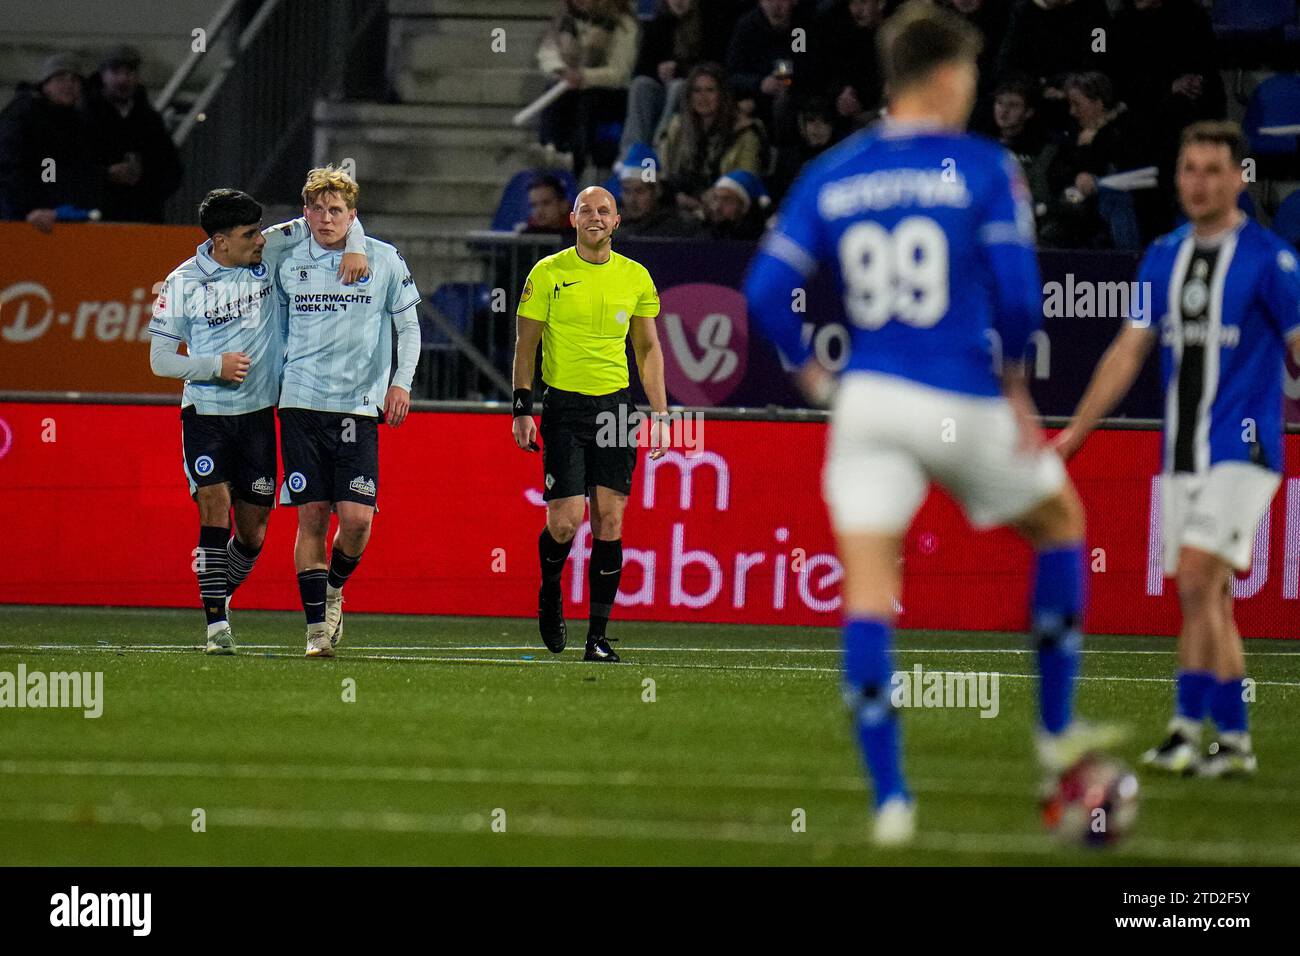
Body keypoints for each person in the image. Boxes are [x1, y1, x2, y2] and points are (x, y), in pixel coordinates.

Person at [744, 1, 1119, 846]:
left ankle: (891, 803)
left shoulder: (836, 170)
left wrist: (812, 374)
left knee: (869, 597)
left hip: (869, 401)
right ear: (950, 76)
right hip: (961, 397)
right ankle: (1056, 729)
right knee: (1060, 524)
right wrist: (1018, 381)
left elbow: (764, 291)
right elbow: (1021, 297)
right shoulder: (985, 166)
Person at [1055, 121, 1300, 778]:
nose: (1199, 182)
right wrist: (1077, 433)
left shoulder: (1271, 261)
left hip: (1245, 451)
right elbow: (1129, 349)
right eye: (1189, 169)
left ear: (1240, 179)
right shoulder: (1162, 256)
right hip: (1183, 455)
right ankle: (1233, 744)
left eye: (1214, 170)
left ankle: (1186, 729)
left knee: (1196, 579)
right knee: (1206, 596)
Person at [148, 188, 368, 654]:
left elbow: (338, 220)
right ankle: (215, 628)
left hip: (258, 417)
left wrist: (357, 247)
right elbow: (160, 359)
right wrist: (213, 366)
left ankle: (219, 594)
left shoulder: (272, 245)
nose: (260, 241)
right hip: (206, 414)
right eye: (249, 235)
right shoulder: (181, 284)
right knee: (214, 504)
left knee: (252, 534)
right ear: (221, 241)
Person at [511, 186, 667, 663]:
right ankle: (550, 591)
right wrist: (522, 408)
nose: (595, 218)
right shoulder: (548, 272)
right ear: (572, 219)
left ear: (617, 221)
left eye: (604, 211)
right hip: (564, 407)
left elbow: (647, 349)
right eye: (586, 211)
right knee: (564, 522)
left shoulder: (636, 276)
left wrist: (660, 413)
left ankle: (597, 637)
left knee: (611, 520)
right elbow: (525, 347)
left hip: (616, 409)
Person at [274, 166, 421, 658]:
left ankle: (334, 587)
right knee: (312, 515)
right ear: (305, 213)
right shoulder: (288, 260)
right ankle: (316, 631)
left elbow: (410, 327)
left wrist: (400, 383)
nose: (325, 218)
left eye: (336, 210)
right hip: (298, 403)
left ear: (352, 215)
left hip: (357, 408)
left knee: (356, 521)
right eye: (317, 208)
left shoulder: (381, 258)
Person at [536, 0, 639, 179]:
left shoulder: (623, 24)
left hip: (608, 92)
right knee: (552, 89)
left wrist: (584, 77)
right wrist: (561, 70)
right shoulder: (564, 21)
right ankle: (550, 148)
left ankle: (576, 159)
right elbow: (548, 52)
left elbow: (620, 72)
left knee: (587, 98)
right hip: (571, 84)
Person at [83, 45, 183, 224]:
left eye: (129, 73)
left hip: (142, 216)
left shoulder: (149, 118)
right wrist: (105, 174)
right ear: (103, 75)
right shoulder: (85, 115)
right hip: (97, 216)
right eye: (116, 72)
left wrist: (146, 184)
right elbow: (73, 166)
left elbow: (171, 168)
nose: (123, 79)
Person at [0, 53, 98, 230]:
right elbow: (13, 168)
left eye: (75, 80)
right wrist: (33, 208)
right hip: (26, 219)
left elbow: (74, 171)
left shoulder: (75, 122)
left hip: (60, 217)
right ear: (45, 84)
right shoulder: (23, 116)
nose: (69, 85)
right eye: (60, 78)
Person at [656, 62, 767, 217]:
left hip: (723, 215)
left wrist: (705, 202)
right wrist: (675, 196)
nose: (703, 97)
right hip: (677, 209)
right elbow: (661, 172)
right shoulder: (677, 127)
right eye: (697, 90)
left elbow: (745, 185)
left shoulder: (746, 133)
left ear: (722, 94)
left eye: (710, 90)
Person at [616, 144, 701, 238]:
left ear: (657, 191)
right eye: (627, 191)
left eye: (640, 191)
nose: (632, 200)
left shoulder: (679, 230)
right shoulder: (613, 229)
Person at [703, 169, 769, 240]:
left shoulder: (761, 241)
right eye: (715, 198)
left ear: (744, 207)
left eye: (726, 200)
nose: (716, 207)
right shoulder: (705, 237)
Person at [520, 174, 577, 243]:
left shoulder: (580, 236)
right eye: (533, 205)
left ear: (563, 205)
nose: (539, 211)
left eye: (546, 203)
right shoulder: (525, 238)